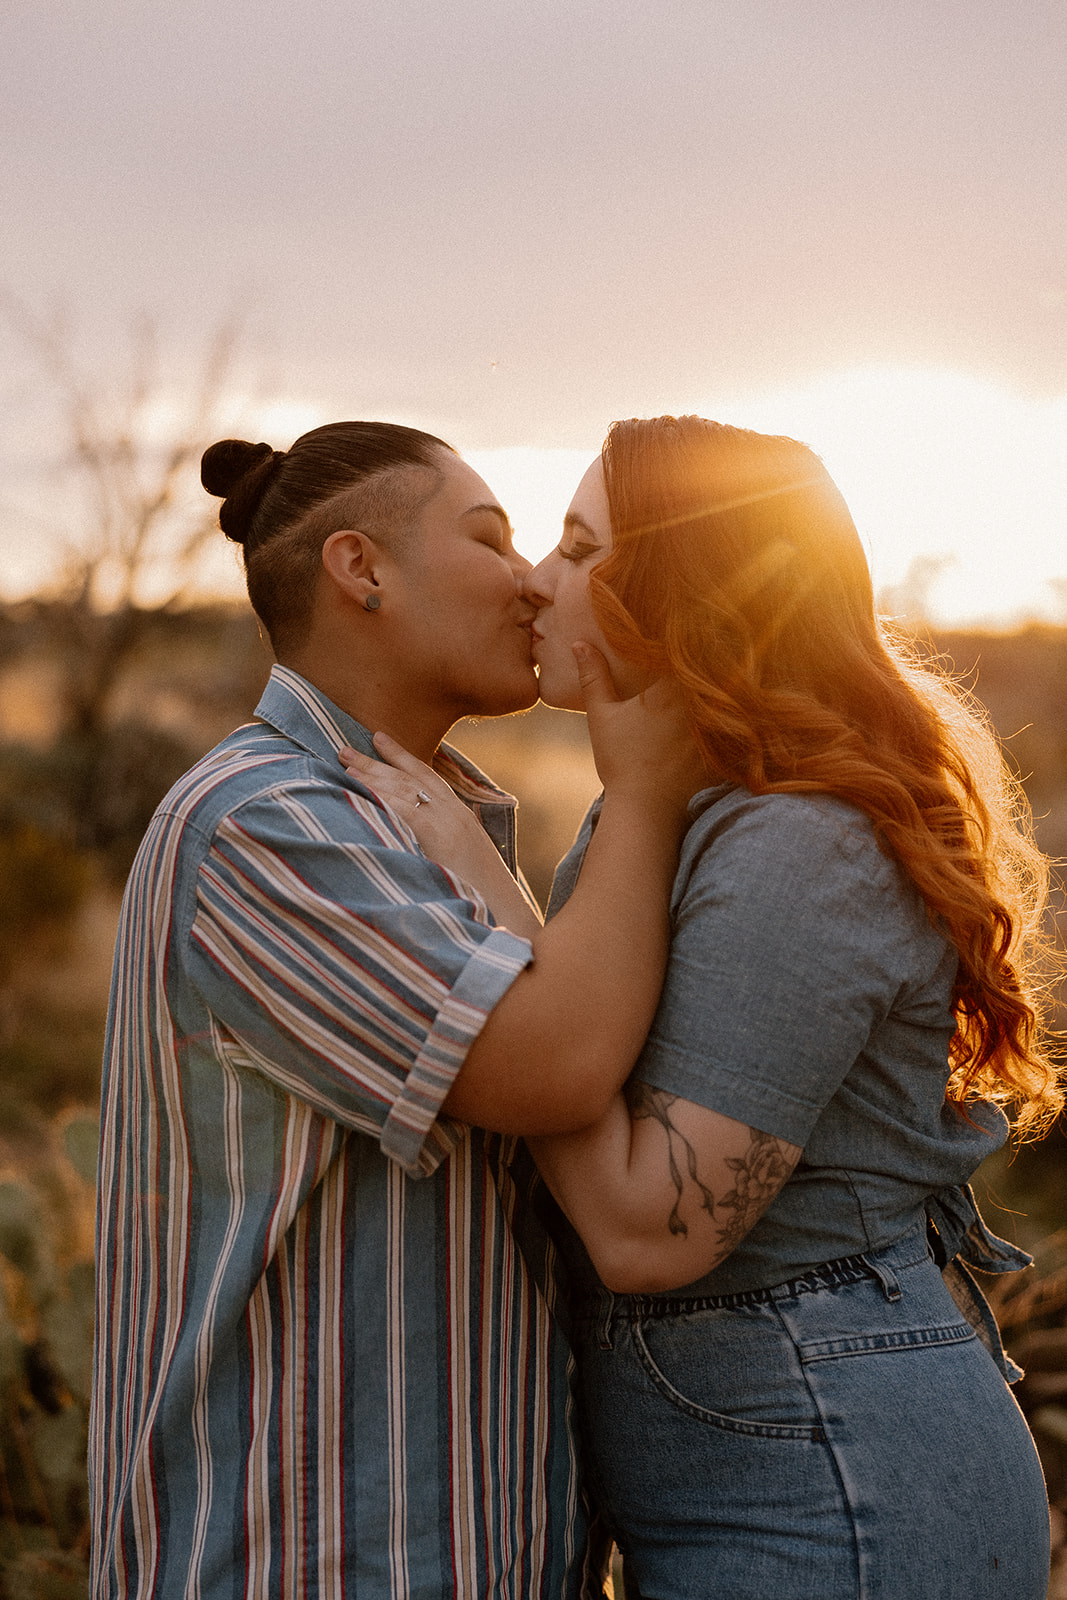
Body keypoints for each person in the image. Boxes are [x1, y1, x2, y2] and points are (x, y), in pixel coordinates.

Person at [353, 415, 1060, 1599]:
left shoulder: (800, 843)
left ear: (686, 594)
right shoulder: (686, 812)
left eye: (579, 549)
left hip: (836, 1483)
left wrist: (494, 906)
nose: (536, 579)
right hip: (773, 1453)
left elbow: (648, 1230)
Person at [89, 421, 702, 1599]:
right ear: (360, 570)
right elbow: (556, 1065)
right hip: (306, 1561)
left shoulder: (410, 820)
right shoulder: (263, 823)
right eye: (491, 537)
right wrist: (647, 797)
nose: (532, 580)